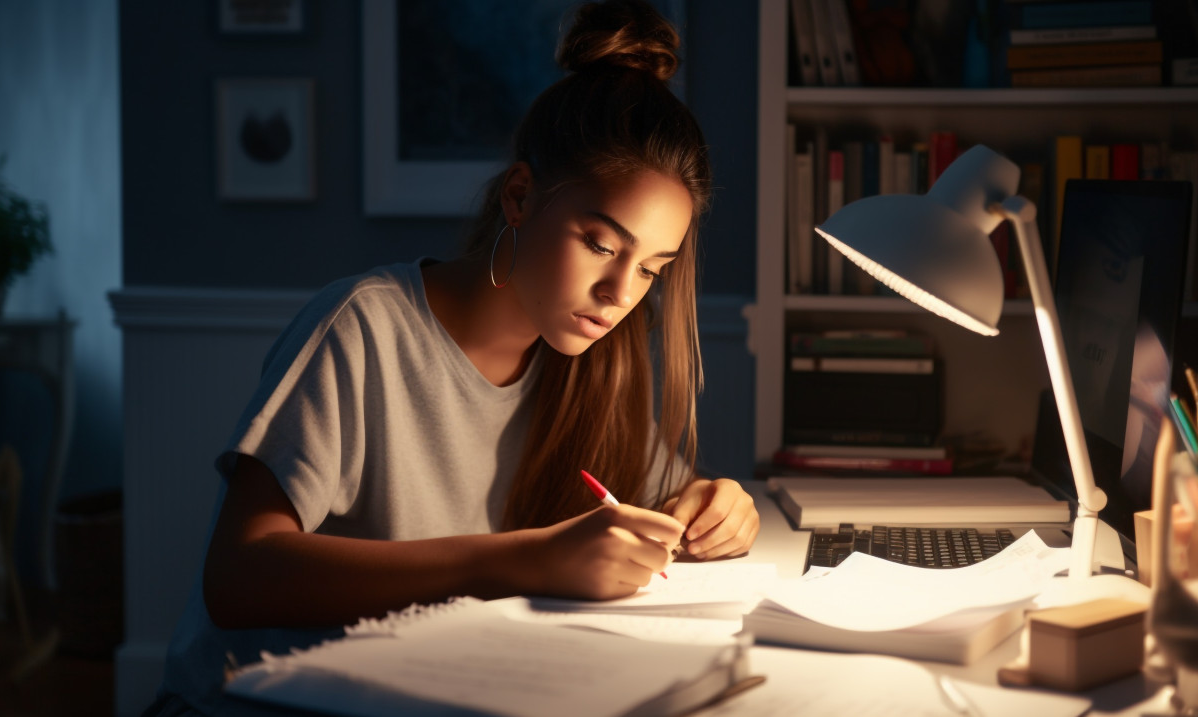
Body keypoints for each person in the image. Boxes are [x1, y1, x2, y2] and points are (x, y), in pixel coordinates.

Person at [145, 1, 759, 713]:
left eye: (652, 267)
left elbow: (652, 503)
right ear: (522, 197)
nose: (621, 292)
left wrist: (713, 506)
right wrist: (521, 558)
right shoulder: (363, 327)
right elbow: (237, 576)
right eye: (599, 243)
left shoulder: (597, 360)